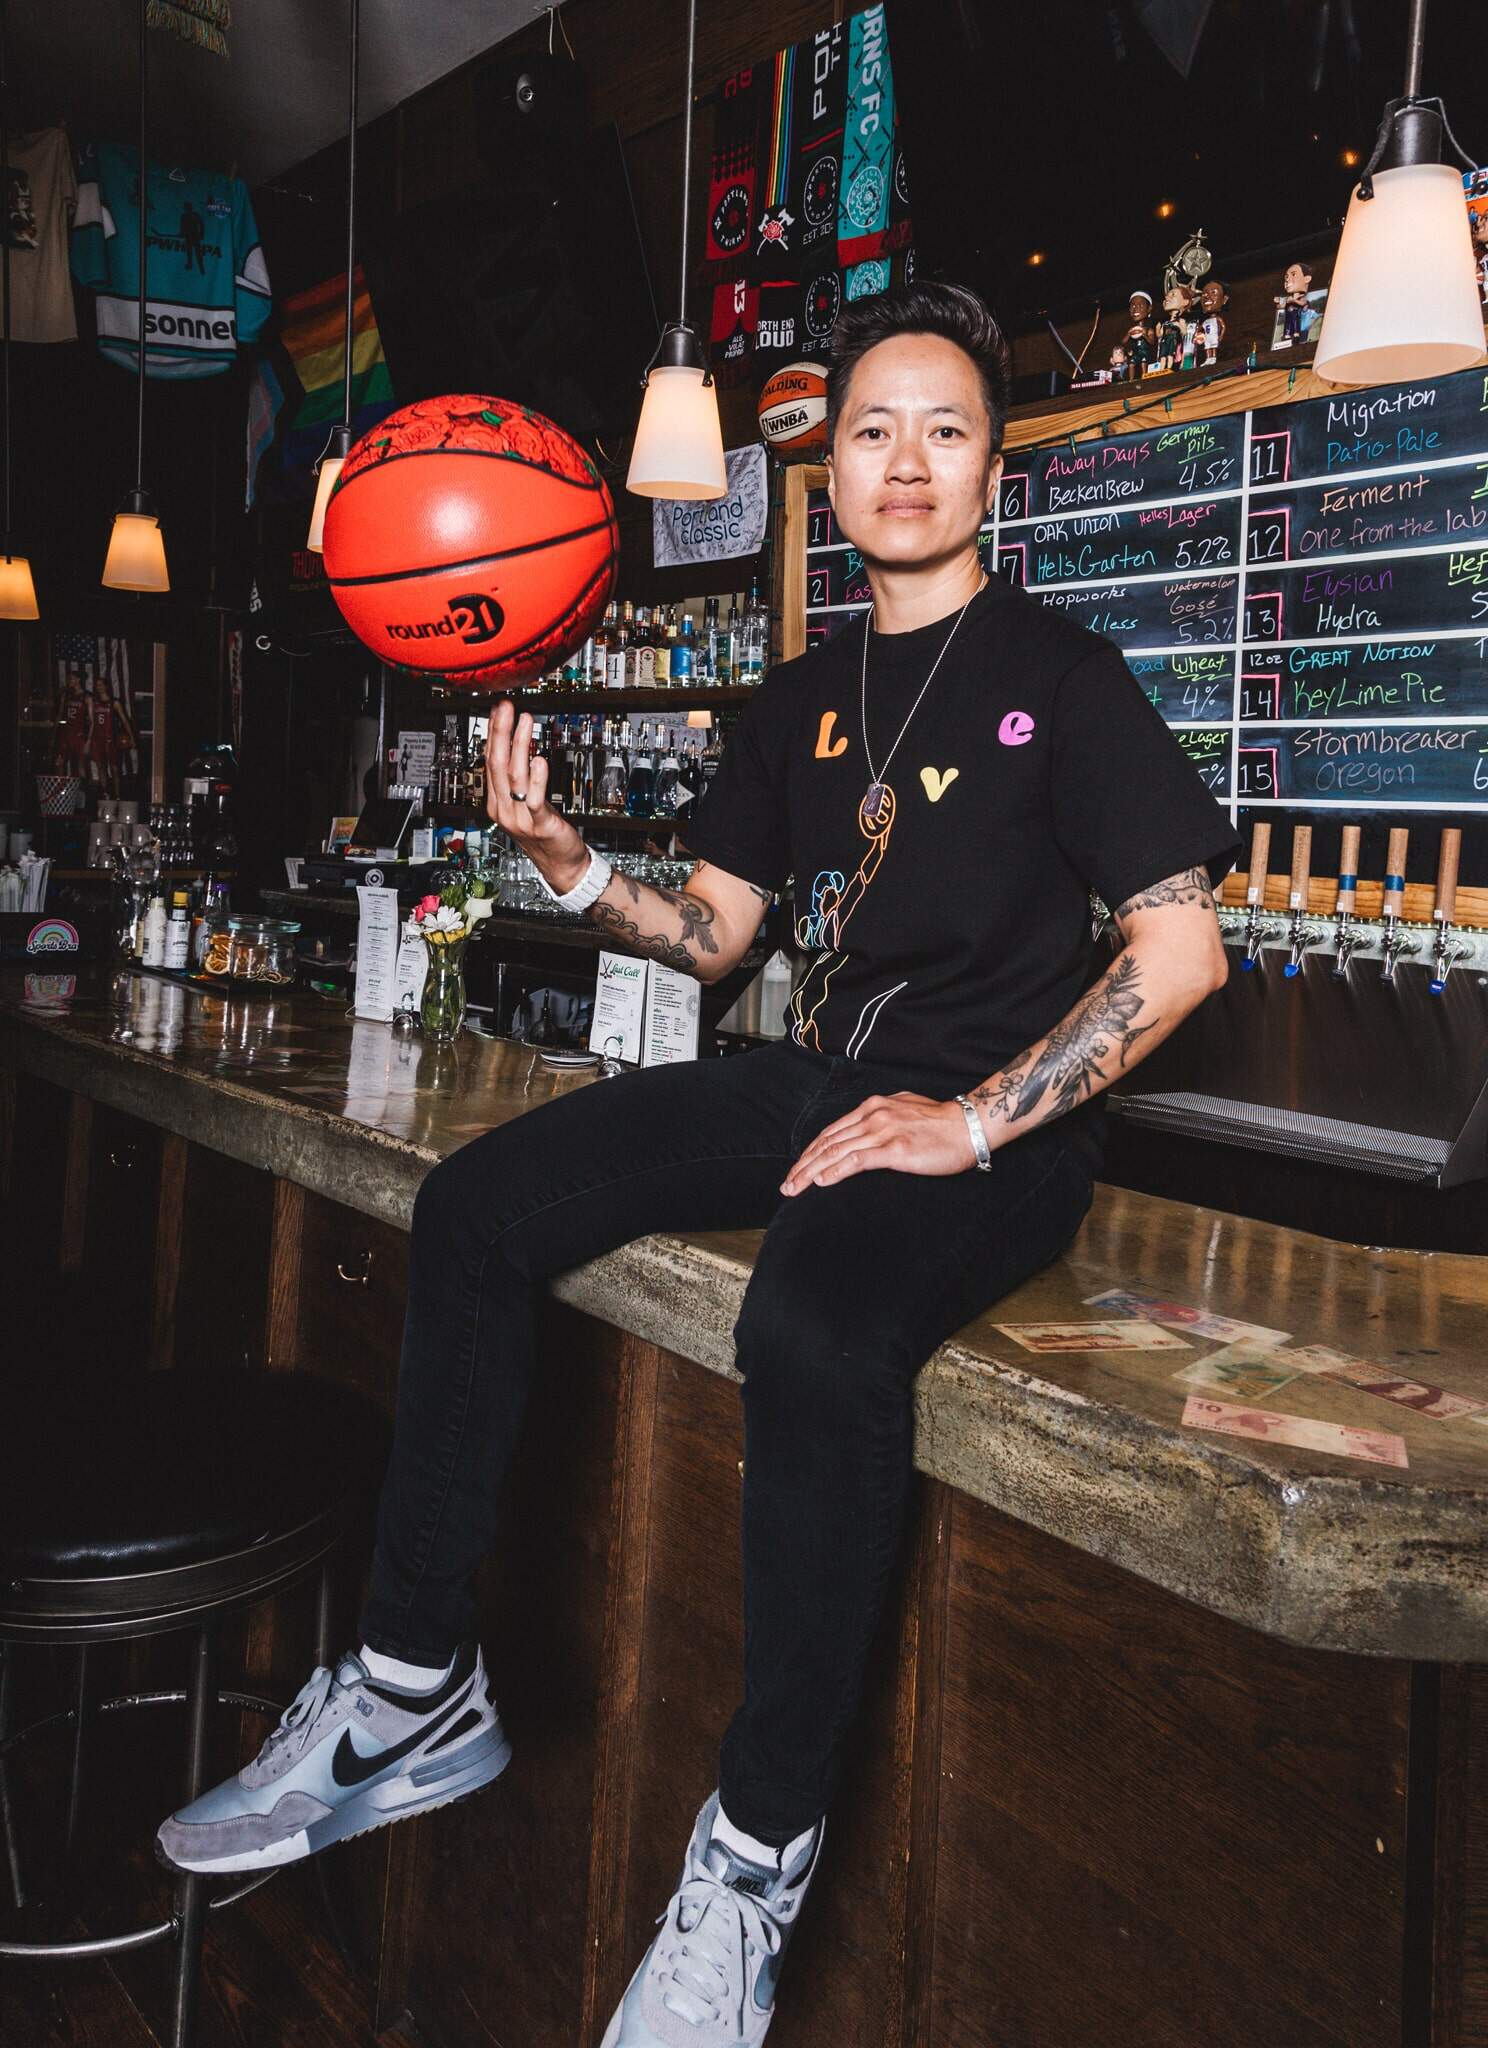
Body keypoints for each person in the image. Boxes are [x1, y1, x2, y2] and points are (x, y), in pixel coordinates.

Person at [156, 281, 1240, 2045]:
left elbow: (1177, 955)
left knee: (812, 1334)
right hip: (825, 1080)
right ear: (833, 461)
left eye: (944, 427)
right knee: (477, 1204)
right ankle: (416, 1682)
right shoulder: (807, 696)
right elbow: (716, 938)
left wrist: (971, 1121)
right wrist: (573, 860)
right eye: (872, 427)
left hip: (1000, 1131)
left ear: (991, 471)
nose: (903, 459)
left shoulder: (1068, 677)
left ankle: (748, 1862)